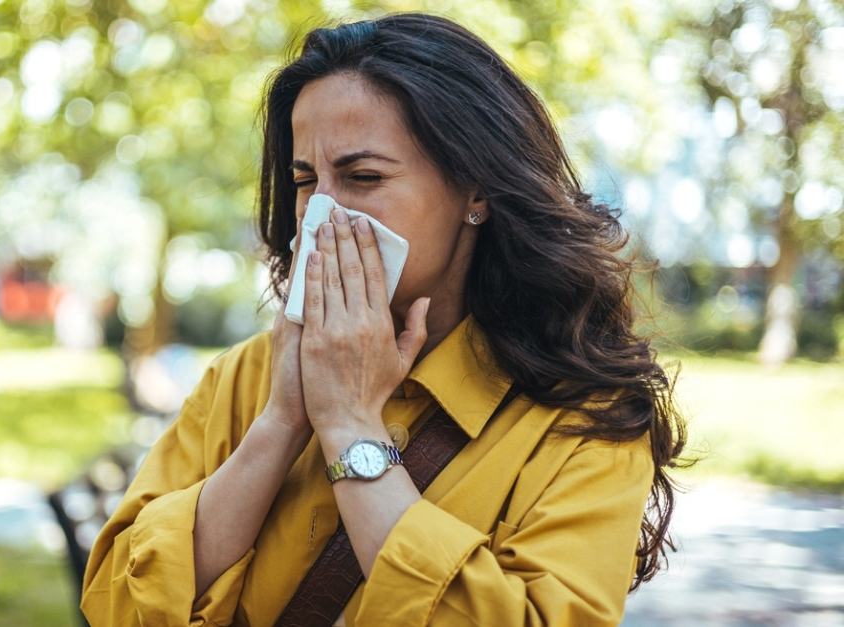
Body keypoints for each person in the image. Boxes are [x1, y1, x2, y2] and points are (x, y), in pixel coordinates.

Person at [80, 11, 686, 626]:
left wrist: (348, 426)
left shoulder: (583, 420)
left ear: (476, 190)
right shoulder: (246, 377)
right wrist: (283, 421)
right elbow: (116, 604)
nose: (322, 214)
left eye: (363, 177)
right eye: (304, 179)